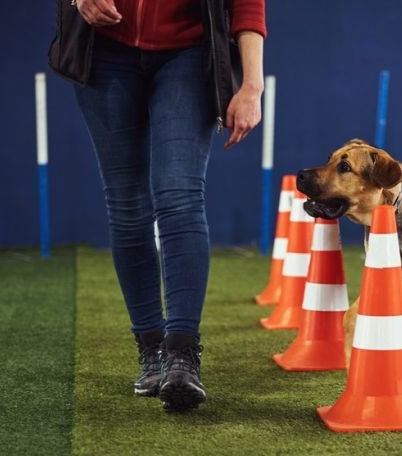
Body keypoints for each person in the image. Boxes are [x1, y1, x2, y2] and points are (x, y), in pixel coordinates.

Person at [54, 0, 266, 411]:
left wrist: (252, 85)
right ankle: (151, 349)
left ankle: (182, 354)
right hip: (104, 52)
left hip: (189, 53)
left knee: (180, 196)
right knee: (128, 205)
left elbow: (248, 5)